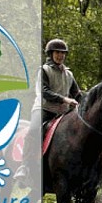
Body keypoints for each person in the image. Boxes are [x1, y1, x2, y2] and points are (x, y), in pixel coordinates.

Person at [14, 39, 81, 179]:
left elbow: (77, 94)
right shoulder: (44, 70)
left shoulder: (69, 74)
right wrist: (65, 99)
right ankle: (24, 166)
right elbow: (45, 92)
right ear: (51, 54)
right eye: (57, 53)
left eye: (63, 53)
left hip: (62, 112)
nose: (60, 56)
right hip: (44, 109)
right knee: (33, 131)